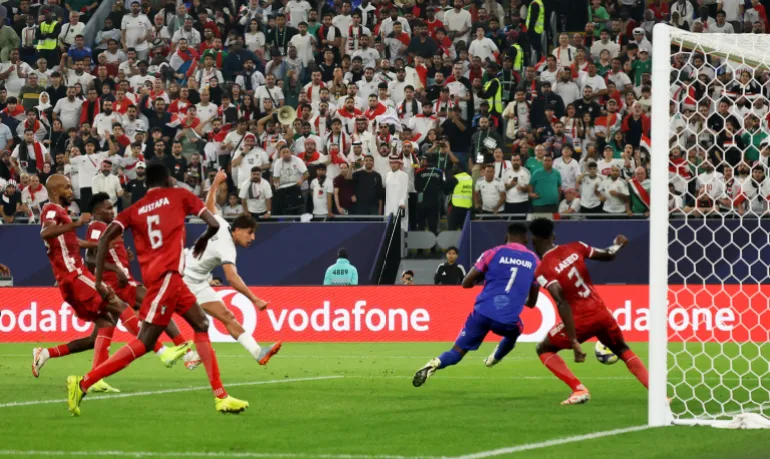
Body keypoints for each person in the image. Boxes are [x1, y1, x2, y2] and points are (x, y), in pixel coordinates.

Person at [66, 162, 249, 415]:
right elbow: (214, 223)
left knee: (201, 323)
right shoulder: (180, 195)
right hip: (166, 278)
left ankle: (221, 396)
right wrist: (203, 240)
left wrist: (98, 281)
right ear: (168, 179)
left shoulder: (133, 210)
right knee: (144, 342)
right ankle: (83, 383)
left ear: (147, 183)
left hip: (167, 278)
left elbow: (106, 237)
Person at [34, 175, 190, 393]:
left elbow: (70, 241)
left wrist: (95, 245)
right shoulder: (52, 209)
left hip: (70, 277)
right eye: (67, 187)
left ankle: (79, 369)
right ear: (55, 190)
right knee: (123, 306)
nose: (71, 191)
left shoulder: (62, 214)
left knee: (106, 323)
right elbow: (45, 232)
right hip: (74, 274)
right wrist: (78, 224)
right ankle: (164, 352)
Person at [528, 218, 648, 405]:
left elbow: (561, 301)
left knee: (543, 348)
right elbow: (608, 254)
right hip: (601, 312)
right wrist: (617, 245)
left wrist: (573, 340)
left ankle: (578, 389)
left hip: (580, 319)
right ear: (553, 236)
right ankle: (659, 394)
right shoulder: (577, 246)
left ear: (533, 240)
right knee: (621, 349)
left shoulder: (542, 270)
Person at [413, 223, 540, 386]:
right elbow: (532, 303)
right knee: (516, 331)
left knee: (456, 352)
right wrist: (520, 298)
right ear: (526, 238)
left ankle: (435, 363)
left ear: (506, 237)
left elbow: (466, 283)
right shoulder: (535, 261)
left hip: (481, 314)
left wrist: (485, 276)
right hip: (506, 320)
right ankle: (494, 358)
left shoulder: (492, 253)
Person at [184, 170, 282, 366]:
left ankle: (258, 352)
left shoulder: (221, 223)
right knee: (159, 320)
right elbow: (232, 278)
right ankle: (188, 357)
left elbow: (209, 206)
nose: (252, 237)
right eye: (249, 232)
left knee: (226, 317)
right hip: (181, 279)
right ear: (237, 230)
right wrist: (255, 299)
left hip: (198, 283)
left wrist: (215, 183)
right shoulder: (228, 248)